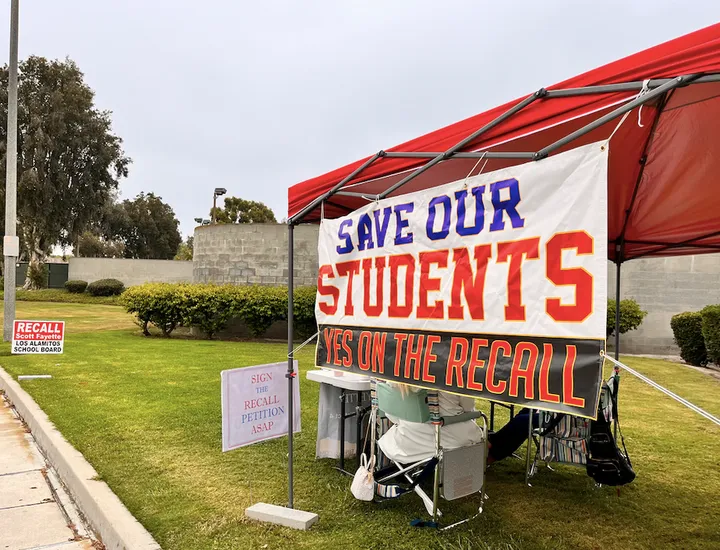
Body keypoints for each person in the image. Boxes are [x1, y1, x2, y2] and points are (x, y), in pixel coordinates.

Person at [378, 385, 484, 463]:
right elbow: (468, 408)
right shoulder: (454, 374)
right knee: (477, 432)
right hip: (450, 438)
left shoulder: (395, 376)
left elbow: (392, 415)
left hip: (406, 441)